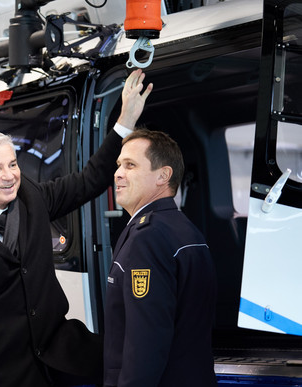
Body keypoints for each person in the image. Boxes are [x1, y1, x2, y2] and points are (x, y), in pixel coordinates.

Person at [0, 71, 151, 387]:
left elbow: (89, 181)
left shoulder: (32, 197)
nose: (9, 175)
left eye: (12, 164)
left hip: (60, 352)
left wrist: (124, 121)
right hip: (3, 372)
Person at [103, 100, 217, 384]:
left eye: (130, 165)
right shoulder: (185, 231)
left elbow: (145, 345)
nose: (118, 173)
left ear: (163, 176)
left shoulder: (148, 238)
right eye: (119, 165)